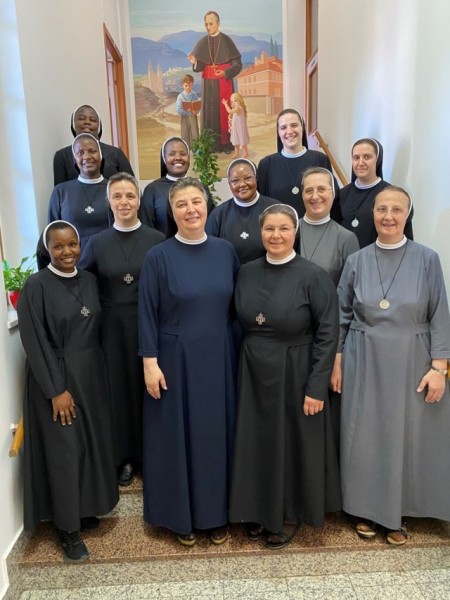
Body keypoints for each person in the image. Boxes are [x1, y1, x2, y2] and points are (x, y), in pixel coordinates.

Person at [333, 186, 450, 546]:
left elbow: (439, 314)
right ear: (373, 214)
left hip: (413, 359)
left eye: (396, 210)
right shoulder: (357, 260)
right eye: (382, 209)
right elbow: (341, 314)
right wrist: (336, 361)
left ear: (407, 214)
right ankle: (366, 509)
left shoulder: (427, 259)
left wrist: (439, 368)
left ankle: (399, 510)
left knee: (406, 436)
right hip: (363, 356)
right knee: (365, 436)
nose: (388, 216)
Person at [229, 204, 341, 549]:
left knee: (291, 442)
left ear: (295, 232)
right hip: (253, 370)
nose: (275, 235)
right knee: (257, 441)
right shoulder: (246, 271)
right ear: (260, 232)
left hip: (296, 368)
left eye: (283, 229)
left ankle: (290, 512)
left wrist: (317, 386)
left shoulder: (313, 276)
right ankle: (257, 509)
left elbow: (329, 334)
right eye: (269, 229)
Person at [138, 177, 239, 546]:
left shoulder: (225, 251)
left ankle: (217, 515)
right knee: (178, 438)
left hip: (219, 357)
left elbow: (236, 307)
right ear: (171, 211)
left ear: (207, 205)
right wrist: (149, 362)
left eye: (196, 201)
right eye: (181, 204)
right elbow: (147, 313)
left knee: (215, 436)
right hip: (174, 361)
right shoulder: (158, 256)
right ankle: (180, 517)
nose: (191, 210)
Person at [17, 221, 119, 562]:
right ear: (47, 249)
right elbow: (35, 342)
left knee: (88, 444)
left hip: (90, 374)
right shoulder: (35, 286)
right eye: (58, 246)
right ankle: (67, 529)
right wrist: (55, 390)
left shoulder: (88, 280)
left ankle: (84, 508)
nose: (67, 252)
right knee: (64, 451)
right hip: (57, 376)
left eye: (72, 244)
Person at [78, 173, 164, 487]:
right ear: (109, 201)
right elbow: (83, 284)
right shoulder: (96, 243)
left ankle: (151, 454)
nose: (124, 202)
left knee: (150, 390)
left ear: (138, 200)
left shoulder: (157, 240)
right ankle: (125, 457)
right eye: (117, 196)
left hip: (150, 325)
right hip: (112, 330)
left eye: (130, 195)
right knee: (120, 391)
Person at [336, 138, 413, 247]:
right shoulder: (342, 194)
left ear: (377, 159)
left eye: (367, 157)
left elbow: (405, 237)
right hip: (347, 256)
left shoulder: (392, 195)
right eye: (356, 158)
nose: (360, 163)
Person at [257, 108, 334, 217]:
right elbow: (261, 204)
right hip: (279, 226)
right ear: (278, 132)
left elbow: (329, 197)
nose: (289, 131)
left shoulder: (320, 159)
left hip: (313, 224)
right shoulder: (266, 164)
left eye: (294, 125)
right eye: (283, 127)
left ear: (302, 128)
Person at [188, 11, 242, 152]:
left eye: (211, 23)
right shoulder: (202, 42)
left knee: (224, 113)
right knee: (209, 114)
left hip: (224, 83)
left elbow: (237, 64)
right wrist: (195, 62)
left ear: (218, 23)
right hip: (208, 84)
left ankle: (226, 144)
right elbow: (199, 66)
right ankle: (209, 145)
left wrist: (225, 73)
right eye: (206, 24)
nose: (208, 27)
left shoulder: (227, 41)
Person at [206, 158, 278, 264]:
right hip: (232, 273)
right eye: (235, 181)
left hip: (269, 272)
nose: (242, 184)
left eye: (247, 178)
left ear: (256, 178)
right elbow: (210, 252)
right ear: (229, 184)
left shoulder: (275, 209)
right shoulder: (218, 215)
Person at [48, 133, 111, 249]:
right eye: (80, 153)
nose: (86, 157)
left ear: (101, 155)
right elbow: (53, 233)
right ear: (75, 159)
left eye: (92, 151)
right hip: (73, 257)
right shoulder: (61, 191)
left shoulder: (114, 188)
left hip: (108, 254)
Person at [140, 137, 214, 233]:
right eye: (172, 154)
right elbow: (147, 228)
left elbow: (211, 224)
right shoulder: (152, 190)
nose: (178, 158)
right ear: (164, 158)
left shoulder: (201, 187)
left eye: (183, 154)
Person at [299, 167, 359, 286]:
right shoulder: (289, 231)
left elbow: (350, 288)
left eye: (321, 189)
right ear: (302, 195)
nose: (315, 196)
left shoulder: (346, 238)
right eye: (309, 191)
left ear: (333, 193)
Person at [53, 104, 134, 185]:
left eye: (93, 120)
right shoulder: (62, 156)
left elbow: (132, 185)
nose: (87, 122)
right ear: (73, 124)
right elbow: (60, 189)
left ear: (99, 126)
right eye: (81, 118)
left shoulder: (116, 153)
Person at [222, 93, 250, 158]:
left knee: (242, 139)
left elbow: (229, 111)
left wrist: (225, 104)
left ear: (240, 100)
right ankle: (236, 152)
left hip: (240, 128)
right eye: (232, 102)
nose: (234, 103)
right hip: (236, 128)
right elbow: (232, 115)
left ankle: (245, 152)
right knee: (236, 140)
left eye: (235, 101)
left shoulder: (239, 108)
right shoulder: (236, 109)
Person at [176, 74, 200, 148]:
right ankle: (186, 149)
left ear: (192, 84)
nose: (188, 87)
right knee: (185, 134)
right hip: (185, 118)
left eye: (190, 85)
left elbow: (198, 106)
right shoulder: (180, 96)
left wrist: (196, 111)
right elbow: (178, 110)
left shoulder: (194, 94)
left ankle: (196, 149)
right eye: (186, 85)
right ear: (183, 85)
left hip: (193, 117)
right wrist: (188, 112)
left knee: (195, 134)